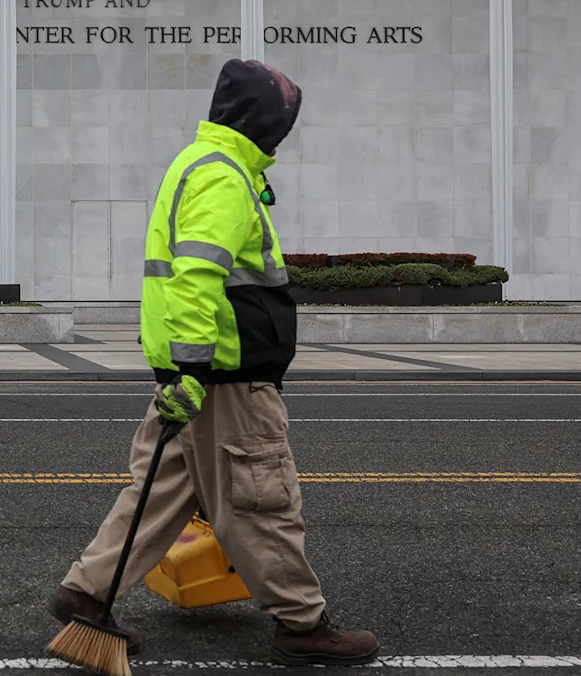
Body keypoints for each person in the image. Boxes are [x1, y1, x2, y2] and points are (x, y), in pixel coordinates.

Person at [45, 59, 380, 667]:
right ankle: (300, 624)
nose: (284, 133)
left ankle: (86, 593)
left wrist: (183, 371)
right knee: (261, 498)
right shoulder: (224, 177)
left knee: (159, 491)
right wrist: (195, 369)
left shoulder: (198, 164)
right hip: (224, 378)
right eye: (282, 120)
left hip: (197, 374)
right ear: (262, 120)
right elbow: (197, 277)